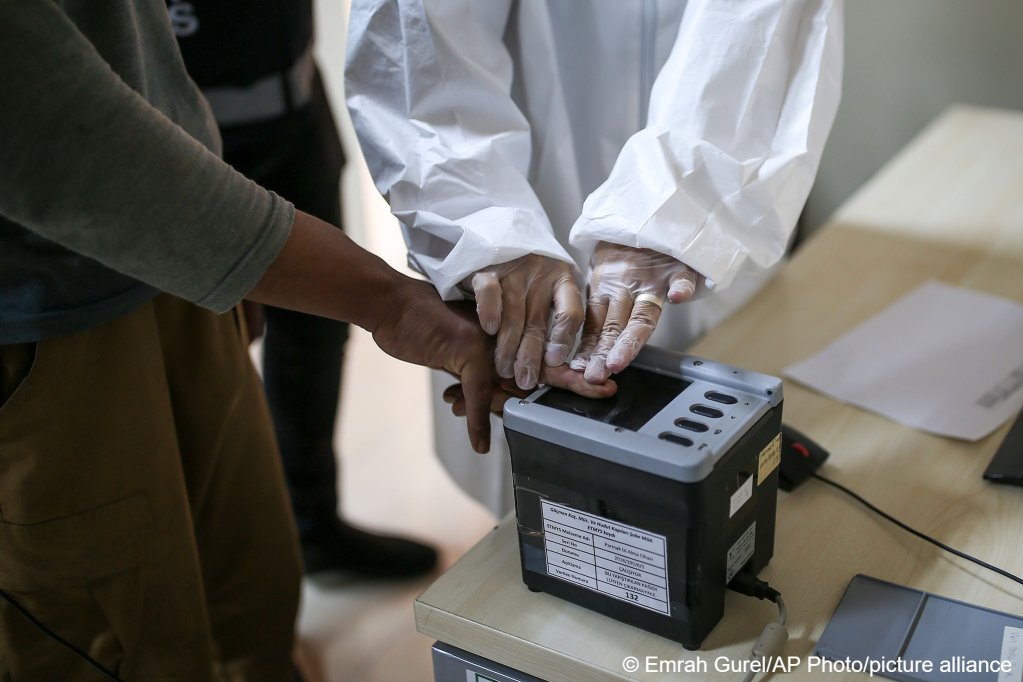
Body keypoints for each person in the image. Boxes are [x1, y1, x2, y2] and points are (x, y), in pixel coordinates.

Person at [0, 2, 612, 679]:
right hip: (39, 323)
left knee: (250, 586)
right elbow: (52, 136)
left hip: (177, 256)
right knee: (115, 638)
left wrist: (227, 266)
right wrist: (388, 301)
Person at [345, 0, 844, 515]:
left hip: (709, 223)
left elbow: (753, 27)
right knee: (541, 497)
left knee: (726, 477)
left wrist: (676, 207)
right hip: (529, 185)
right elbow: (420, 39)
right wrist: (488, 229)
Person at [172, 1, 439, 579]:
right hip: (166, 143)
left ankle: (311, 525)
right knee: (190, 364)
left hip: (291, 108)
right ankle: (214, 587)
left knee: (314, 337)